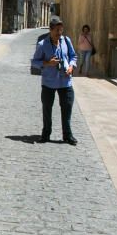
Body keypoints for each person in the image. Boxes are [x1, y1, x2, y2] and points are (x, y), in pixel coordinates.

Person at [31, 15, 79, 145]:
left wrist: (71, 66)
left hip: (65, 81)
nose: (59, 33)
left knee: (67, 108)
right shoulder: (42, 44)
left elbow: (73, 56)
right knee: (47, 109)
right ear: (50, 30)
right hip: (49, 83)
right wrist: (47, 63)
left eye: (61, 30)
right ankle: (46, 134)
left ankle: (67, 135)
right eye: (57, 30)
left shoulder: (66, 41)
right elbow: (34, 62)